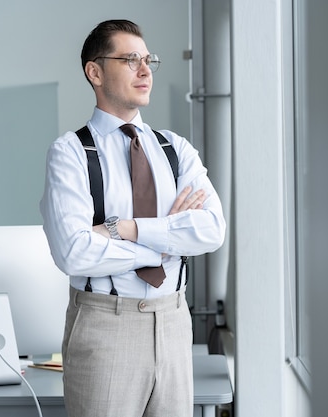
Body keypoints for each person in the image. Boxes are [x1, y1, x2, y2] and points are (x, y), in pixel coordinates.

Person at [40, 19, 226, 417]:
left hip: (175, 321)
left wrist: (124, 229)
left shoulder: (175, 150)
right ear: (95, 72)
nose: (145, 71)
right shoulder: (71, 153)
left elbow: (211, 230)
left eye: (148, 60)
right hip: (106, 326)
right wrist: (164, 245)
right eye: (129, 60)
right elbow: (74, 252)